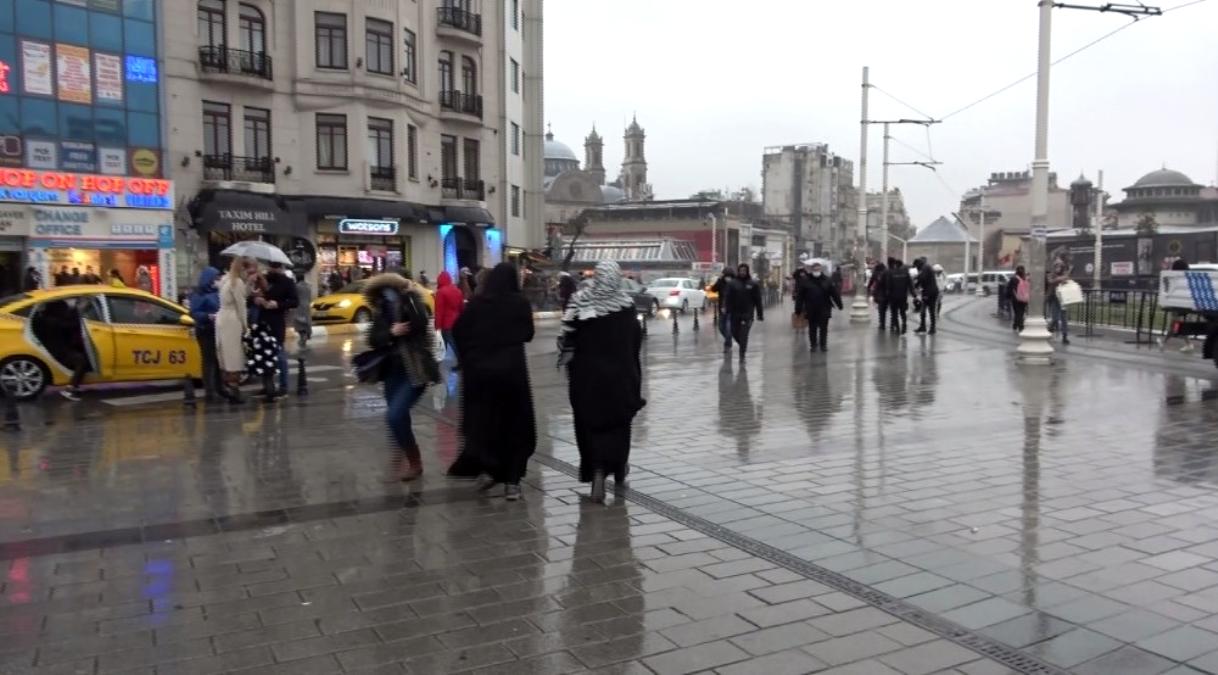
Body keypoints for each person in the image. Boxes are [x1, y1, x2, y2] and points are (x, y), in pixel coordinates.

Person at [447, 263, 536, 500]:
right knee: (515, 425)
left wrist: (469, 355)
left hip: (480, 374)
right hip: (512, 373)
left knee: (485, 423)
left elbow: (458, 331)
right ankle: (513, 483)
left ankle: (490, 468)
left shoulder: (477, 304)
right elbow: (528, 334)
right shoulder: (520, 303)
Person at [558, 260, 644, 503]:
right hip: (619, 377)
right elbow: (634, 343)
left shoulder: (579, 301)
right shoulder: (626, 305)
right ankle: (618, 467)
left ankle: (596, 471)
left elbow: (566, 340)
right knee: (618, 425)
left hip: (586, 378)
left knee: (590, 425)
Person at [365, 273, 441, 482]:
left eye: (392, 288)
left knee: (395, 415)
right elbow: (373, 339)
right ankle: (406, 457)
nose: (388, 293)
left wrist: (410, 297)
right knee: (398, 416)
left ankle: (414, 461)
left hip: (415, 370)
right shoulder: (382, 311)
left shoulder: (414, 305)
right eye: (385, 289)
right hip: (391, 372)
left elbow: (420, 322)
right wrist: (391, 332)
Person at [254, 262, 298, 397]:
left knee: (279, 354)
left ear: (281, 268)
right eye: (270, 267)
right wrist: (257, 299)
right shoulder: (262, 279)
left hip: (277, 322)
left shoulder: (287, 282)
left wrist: (278, 304)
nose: (272, 270)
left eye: (275, 267)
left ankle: (283, 385)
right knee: (262, 354)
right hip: (262, 320)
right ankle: (267, 385)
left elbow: (295, 301)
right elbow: (252, 296)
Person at [33, 300, 90, 401]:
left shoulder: (42, 318)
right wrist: (78, 310)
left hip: (57, 348)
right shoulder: (52, 321)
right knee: (81, 362)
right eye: (64, 308)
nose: (66, 310)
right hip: (59, 351)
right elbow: (70, 325)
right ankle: (71, 388)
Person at [215, 258, 249, 403]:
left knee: (224, 354)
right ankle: (234, 392)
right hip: (232, 319)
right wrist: (245, 325)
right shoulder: (237, 283)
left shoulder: (225, 281)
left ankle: (228, 388)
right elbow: (241, 305)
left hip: (221, 318)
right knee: (234, 356)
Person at [189, 267, 223, 402]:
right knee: (208, 361)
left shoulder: (217, 292)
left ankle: (219, 389)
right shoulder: (199, 294)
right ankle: (210, 391)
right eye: (215, 278)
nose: (217, 281)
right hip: (205, 330)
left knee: (218, 361)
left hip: (217, 329)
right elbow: (194, 312)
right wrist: (208, 316)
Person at [797, 261, 843, 352]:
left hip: (824, 308)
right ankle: (813, 345)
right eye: (815, 269)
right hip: (811, 308)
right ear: (811, 270)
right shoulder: (806, 281)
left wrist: (839, 304)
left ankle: (823, 345)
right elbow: (800, 296)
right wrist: (798, 308)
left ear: (821, 270)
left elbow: (834, 294)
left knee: (823, 328)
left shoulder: (827, 280)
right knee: (812, 328)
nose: (816, 271)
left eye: (818, 269)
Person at [724, 264, 764, 359]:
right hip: (735, 313)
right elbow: (728, 298)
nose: (742, 272)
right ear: (738, 271)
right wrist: (727, 309)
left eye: (744, 270)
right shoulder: (732, 284)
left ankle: (742, 354)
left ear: (747, 271)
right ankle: (742, 344)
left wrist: (760, 314)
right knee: (733, 332)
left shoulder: (753, 284)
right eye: (741, 270)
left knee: (744, 334)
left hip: (747, 314)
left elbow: (758, 300)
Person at [433, 271, 464, 369]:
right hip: (457, 321)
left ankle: (456, 362)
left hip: (447, 323)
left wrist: (437, 326)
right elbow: (461, 307)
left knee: (447, 343)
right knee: (455, 342)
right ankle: (458, 361)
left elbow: (439, 310)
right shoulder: (458, 290)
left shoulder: (441, 292)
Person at [1046, 258, 1071, 345]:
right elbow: (1050, 281)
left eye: (1060, 265)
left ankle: (1065, 336)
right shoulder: (1051, 274)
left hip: (1062, 298)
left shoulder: (1064, 274)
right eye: (1057, 265)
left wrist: (1062, 279)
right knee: (1055, 318)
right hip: (1053, 298)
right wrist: (1059, 279)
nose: (1059, 267)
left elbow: (1067, 280)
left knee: (1064, 318)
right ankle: (1050, 329)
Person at [885, 258, 913, 334]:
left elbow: (888, 286)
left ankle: (897, 328)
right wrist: (914, 294)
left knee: (894, 313)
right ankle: (904, 325)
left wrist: (888, 296)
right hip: (903, 297)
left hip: (893, 297)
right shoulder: (906, 273)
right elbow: (910, 285)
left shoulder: (891, 273)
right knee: (903, 312)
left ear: (895, 265)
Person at [913, 258, 940, 334]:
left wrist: (915, 284)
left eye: (916, 266)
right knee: (923, 310)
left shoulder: (925, 267)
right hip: (929, 291)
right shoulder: (925, 267)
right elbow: (922, 278)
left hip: (930, 292)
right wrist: (916, 284)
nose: (916, 268)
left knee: (930, 311)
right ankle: (923, 327)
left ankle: (932, 328)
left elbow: (922, 278)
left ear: (918, 264)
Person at [711, 268, 736, 348]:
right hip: (722, 309)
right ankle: (728, 340)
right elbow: (713, 289)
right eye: (726, 276)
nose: (728, 278)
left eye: (729, 276)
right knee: (721, 327)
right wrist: (719, 280)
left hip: (732, 310)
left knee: (728, 328)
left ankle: (727, 343)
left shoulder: (735, 283)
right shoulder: (721, 283)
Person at [293, 271, 313, 354]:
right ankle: (304, 338)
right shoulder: (308, 286)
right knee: (306, 323)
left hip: (299, 307)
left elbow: (294, 296)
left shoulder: (297, 287)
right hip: (307, 306)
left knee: (300, 324)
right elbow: (310, 297)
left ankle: (303, 338)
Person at [1008, 265, 1030, 333]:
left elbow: (1009, 288)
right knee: (1021, 312)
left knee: (1017, 312)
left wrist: (1008, 297)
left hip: (1015, 298)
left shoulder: (1013, 279)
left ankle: (1018, 325)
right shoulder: (1025, 279)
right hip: (1024, 298)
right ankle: (1018, 325)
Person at [868, 261, 889, 330]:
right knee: (884, 309)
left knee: (881, 309)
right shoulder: (887, 272)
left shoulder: (875, 273)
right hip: (886, 293)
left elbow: (871, 282)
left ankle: (881, 323)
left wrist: (869, 289)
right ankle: (883, 323)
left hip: (878, 293)